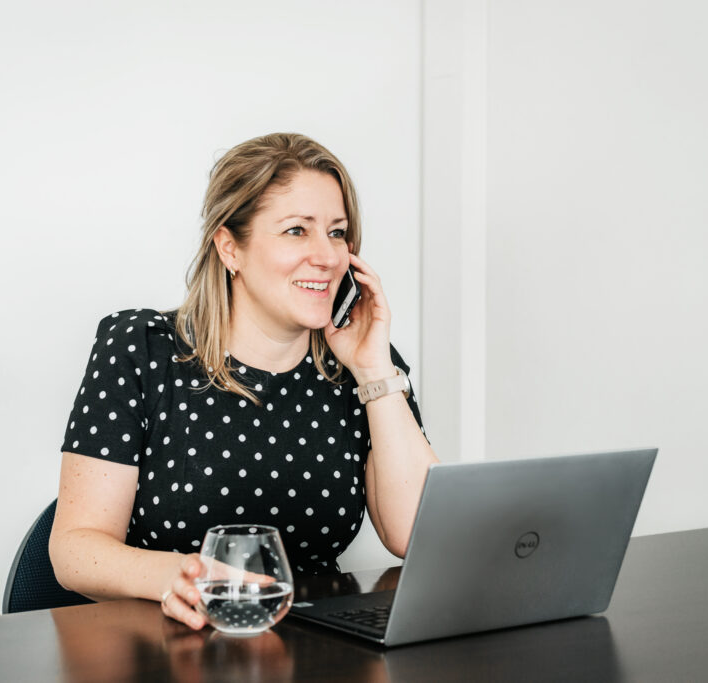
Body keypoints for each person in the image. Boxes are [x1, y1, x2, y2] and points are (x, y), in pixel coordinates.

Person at [49, 132, 439, 630]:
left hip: (318, 647)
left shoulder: (365, 368)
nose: (327, 256)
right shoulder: (142, 349)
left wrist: (374, 370)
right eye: (297, 230)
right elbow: (74, 549)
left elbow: (416, 535)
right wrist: (175, 576)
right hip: (168, 638)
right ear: (230, 247)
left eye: (337, 233)